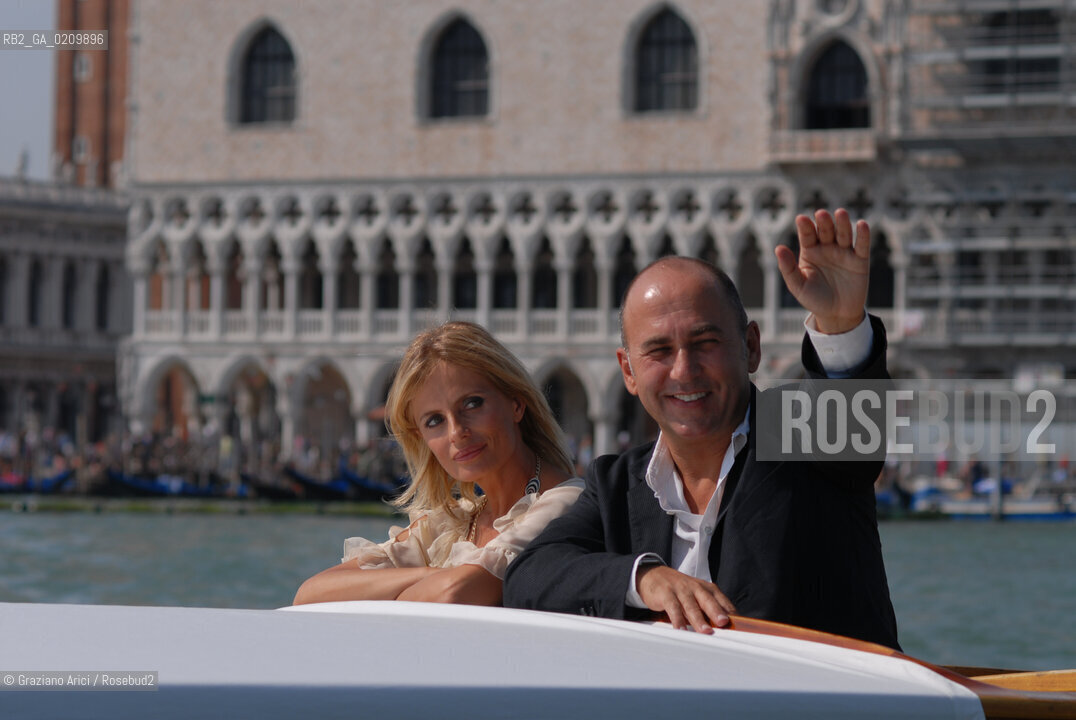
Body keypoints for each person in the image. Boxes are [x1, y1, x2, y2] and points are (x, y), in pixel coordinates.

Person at [504, 209, 901, 650]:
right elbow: (530, 577)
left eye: (705, 343)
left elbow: (851, 435)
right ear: (628, 371)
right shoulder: (614, 485)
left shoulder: (803, 436)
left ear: (750, 347)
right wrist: (643, 578)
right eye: (659, 351)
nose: (684, 370)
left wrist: (841, 325)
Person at [294, 322, 584, 606]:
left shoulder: (566, 502)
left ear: (516, 404)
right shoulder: (451, 524)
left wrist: (393, 589)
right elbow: (310, 594)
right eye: (435, 421)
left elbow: (455, 593)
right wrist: (431, 575)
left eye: (472, 404)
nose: (457, 432)